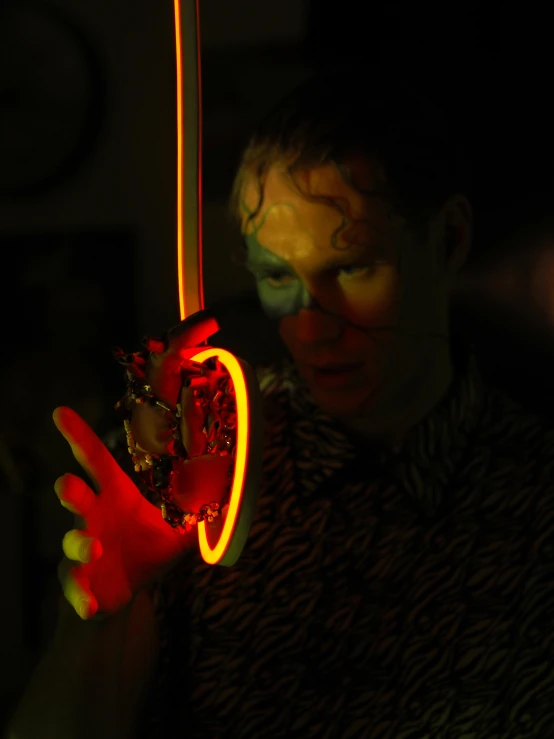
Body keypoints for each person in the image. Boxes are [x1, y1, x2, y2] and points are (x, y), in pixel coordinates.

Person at [8, 64, 554, 739]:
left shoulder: (536, 495)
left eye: (351, 267)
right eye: (275, 275)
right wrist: (100, 618)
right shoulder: (200, 464)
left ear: (448, 240)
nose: (310, 324)